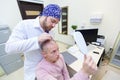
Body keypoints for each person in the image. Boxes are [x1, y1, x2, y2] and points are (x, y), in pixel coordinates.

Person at [5, 4, 61, 80]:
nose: (54, 25)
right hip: (33, 72)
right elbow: (9, 48)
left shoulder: (51, 32)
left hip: (48, 68)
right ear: (45, 15)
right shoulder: (25, 25)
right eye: (52, 21)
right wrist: (37, 40)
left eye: (56, 23)